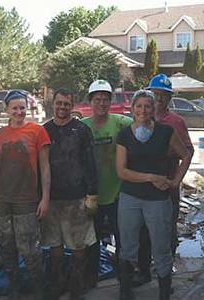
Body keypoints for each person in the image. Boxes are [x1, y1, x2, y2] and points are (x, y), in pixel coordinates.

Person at [115, 90, 190, 300]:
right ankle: (125, 291)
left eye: (147, 106)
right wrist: (150, 177)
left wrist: (176, 181)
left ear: (153, 108)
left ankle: (164, 293)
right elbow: (121, 171)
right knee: (128, 246)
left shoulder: (165, 132)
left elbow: (186, 155)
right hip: (130, 197)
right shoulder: (124, 135)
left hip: (158, 200)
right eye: (138, 106)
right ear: (132, 109)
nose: (143, 110)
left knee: (161, 247)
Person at [133, 74, 195, 286]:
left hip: (167, 187)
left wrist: (177, 180)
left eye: (163, 95)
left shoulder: (176, 122)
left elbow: (188, 151)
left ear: (169, 98)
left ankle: (165, 276)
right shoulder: (139, 117)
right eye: (155, 94)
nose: (158, 99)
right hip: (143, 186)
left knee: (166, 231)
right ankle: (143, 272)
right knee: (143, 231)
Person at [0, 90, 50, 300]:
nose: (19, 112)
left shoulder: (37, 131)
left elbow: (45, 167)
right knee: (6, 247)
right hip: (1, 201)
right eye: (14, 108)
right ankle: (14, 287)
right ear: (7, 109)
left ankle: (38, 287)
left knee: (30, 249)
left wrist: (45, 198)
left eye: (22, 107)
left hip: (27, 200)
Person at [41, 88, 98, 299]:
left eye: (66, 103)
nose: (62, 107)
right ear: (52, 103)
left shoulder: (82, 130)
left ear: (72, 105)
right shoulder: (44, 130)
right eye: (59, 103)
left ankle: (77, 285)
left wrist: (92, 194)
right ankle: (58, 283)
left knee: (78, 246)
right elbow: (40, 165)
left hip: (77, 198)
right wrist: (41, 196)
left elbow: (91, 163)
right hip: (52, 198)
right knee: (55, 246)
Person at [81, 80, 133, 286]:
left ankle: (125, 280)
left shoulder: (121, 123)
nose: (101, 103)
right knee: (91, 239)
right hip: (92, 195)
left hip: (117, 194)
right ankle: (91, 277)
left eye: (105, 99)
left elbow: (143, 123)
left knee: (123, 239)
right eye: (97, 99)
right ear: (91, 102)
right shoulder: (82, 126)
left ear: (110, 102)